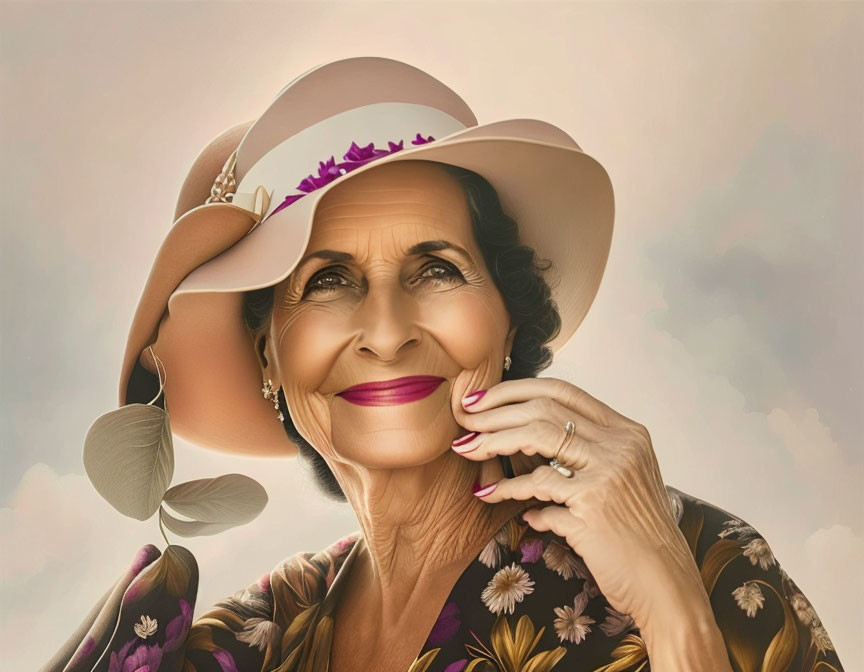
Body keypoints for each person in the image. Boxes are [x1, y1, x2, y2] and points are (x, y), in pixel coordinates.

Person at [42, 57, 844, 672]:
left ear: (506, 317)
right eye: (328, 280)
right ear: (267, 355)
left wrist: (676, 615)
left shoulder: (701, 554)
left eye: (436, 269)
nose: (387, 332)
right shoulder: (256, 638)